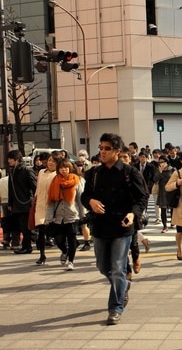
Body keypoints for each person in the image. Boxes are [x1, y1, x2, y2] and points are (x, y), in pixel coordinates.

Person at [82, 133, 148, 325]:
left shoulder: (130, 172)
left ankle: (115, 308)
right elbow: (85, 196)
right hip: (101, 227)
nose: (102, 152)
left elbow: (142, 198)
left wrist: (133, 214)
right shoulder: (93, 173)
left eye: (107, 148)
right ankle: (123, 285)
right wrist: (91, 201)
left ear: (118, 151)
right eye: (101, 148)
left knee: (118, 268)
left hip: (122, 227)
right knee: (103, 266)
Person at [46, 159, 87, 271]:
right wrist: (48, 218)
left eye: (66, 167)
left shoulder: (77, 181)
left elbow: (80, 200)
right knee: (59, 240)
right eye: (61, 168)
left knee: (71, 239)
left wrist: (83, 215)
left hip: (72, 214)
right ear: (58, 169)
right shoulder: (55, 181)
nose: (64, 170)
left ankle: (71, 261)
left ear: (70, 168)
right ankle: (65, 251)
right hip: (58, 216)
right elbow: (50, 201)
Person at [7, 150, 37, 254]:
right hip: (16, 204)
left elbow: (35, 187)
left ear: (16, 159)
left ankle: (27, 246)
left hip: (26, 203)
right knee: (21, 226)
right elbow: (10, 189)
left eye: (10, 158)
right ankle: (27, 245)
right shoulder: (12, 171)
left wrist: (34, 200)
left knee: (26, 227)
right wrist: (10, 203)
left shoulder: (26, 170)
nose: (8, 161)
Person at [33, 152, 58, 265]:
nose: (50, 163)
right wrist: (35, 199)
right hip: (40, 205)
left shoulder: (58, 173)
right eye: (49, 161)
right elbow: (38, 188)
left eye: (53, 161)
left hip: (53, 206)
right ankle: (42, 255)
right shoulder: (42, 172)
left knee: (56, 232)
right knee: (41, 230)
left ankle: (66, 250)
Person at [156, 155, 174, 233]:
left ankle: (173, 221)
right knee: (163, 209)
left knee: (173, 208)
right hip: (162, 191)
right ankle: (165, 226)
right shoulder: (158, 170)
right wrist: (160, 172)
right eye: (160, 162)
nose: (161, 164)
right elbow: (155, 179)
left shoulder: (172, 169)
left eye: (163, 162)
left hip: (171, 191)